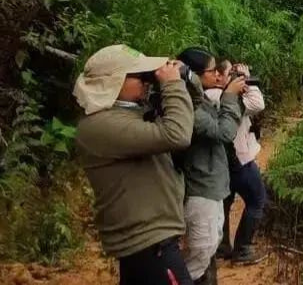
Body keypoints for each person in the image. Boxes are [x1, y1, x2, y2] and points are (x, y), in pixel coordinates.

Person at [74, 44, 194, 285]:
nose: (147, 81)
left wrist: (186, 80)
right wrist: (172, 85)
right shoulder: (101, 126)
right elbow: (178, 134)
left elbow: (190, 112)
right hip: (149, 244)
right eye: (140, 76)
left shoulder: (126, 115)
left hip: (149, 243)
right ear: (114, 81)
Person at [177, 47, 245, 285]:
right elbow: (224, 131)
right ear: (193, 75)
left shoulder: (199, 98)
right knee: (197, 256)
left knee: (208, 249)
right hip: (199, 189)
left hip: (210, 187)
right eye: (212, 70)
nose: (217, 75)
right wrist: (228, 97)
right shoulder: (185, 105)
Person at [208, 60, 267, 264]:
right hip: (239, 159)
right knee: (257, 200)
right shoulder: (224, 98)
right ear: (218, 76)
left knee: (225, 201)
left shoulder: (206, 96)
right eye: (230, 72)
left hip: (221, 161)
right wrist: (246, 80)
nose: (235, 77)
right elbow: (258, 104)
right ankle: (243, 249)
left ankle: (222, 246)